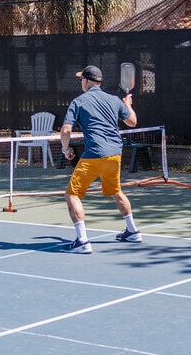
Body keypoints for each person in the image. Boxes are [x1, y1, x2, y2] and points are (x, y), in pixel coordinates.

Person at [59, 65, 139, 254]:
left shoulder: (78, 101)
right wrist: (127, 104)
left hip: (94, 155)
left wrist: (65, 149)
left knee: (72, 194)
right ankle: (133, 231)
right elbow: (133, 121)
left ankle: (82, 241)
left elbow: (65, 130)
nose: (81, 82)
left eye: (81, 79)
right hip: (115, 155)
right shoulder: (113, 100)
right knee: (116, 191)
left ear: (86, 81)